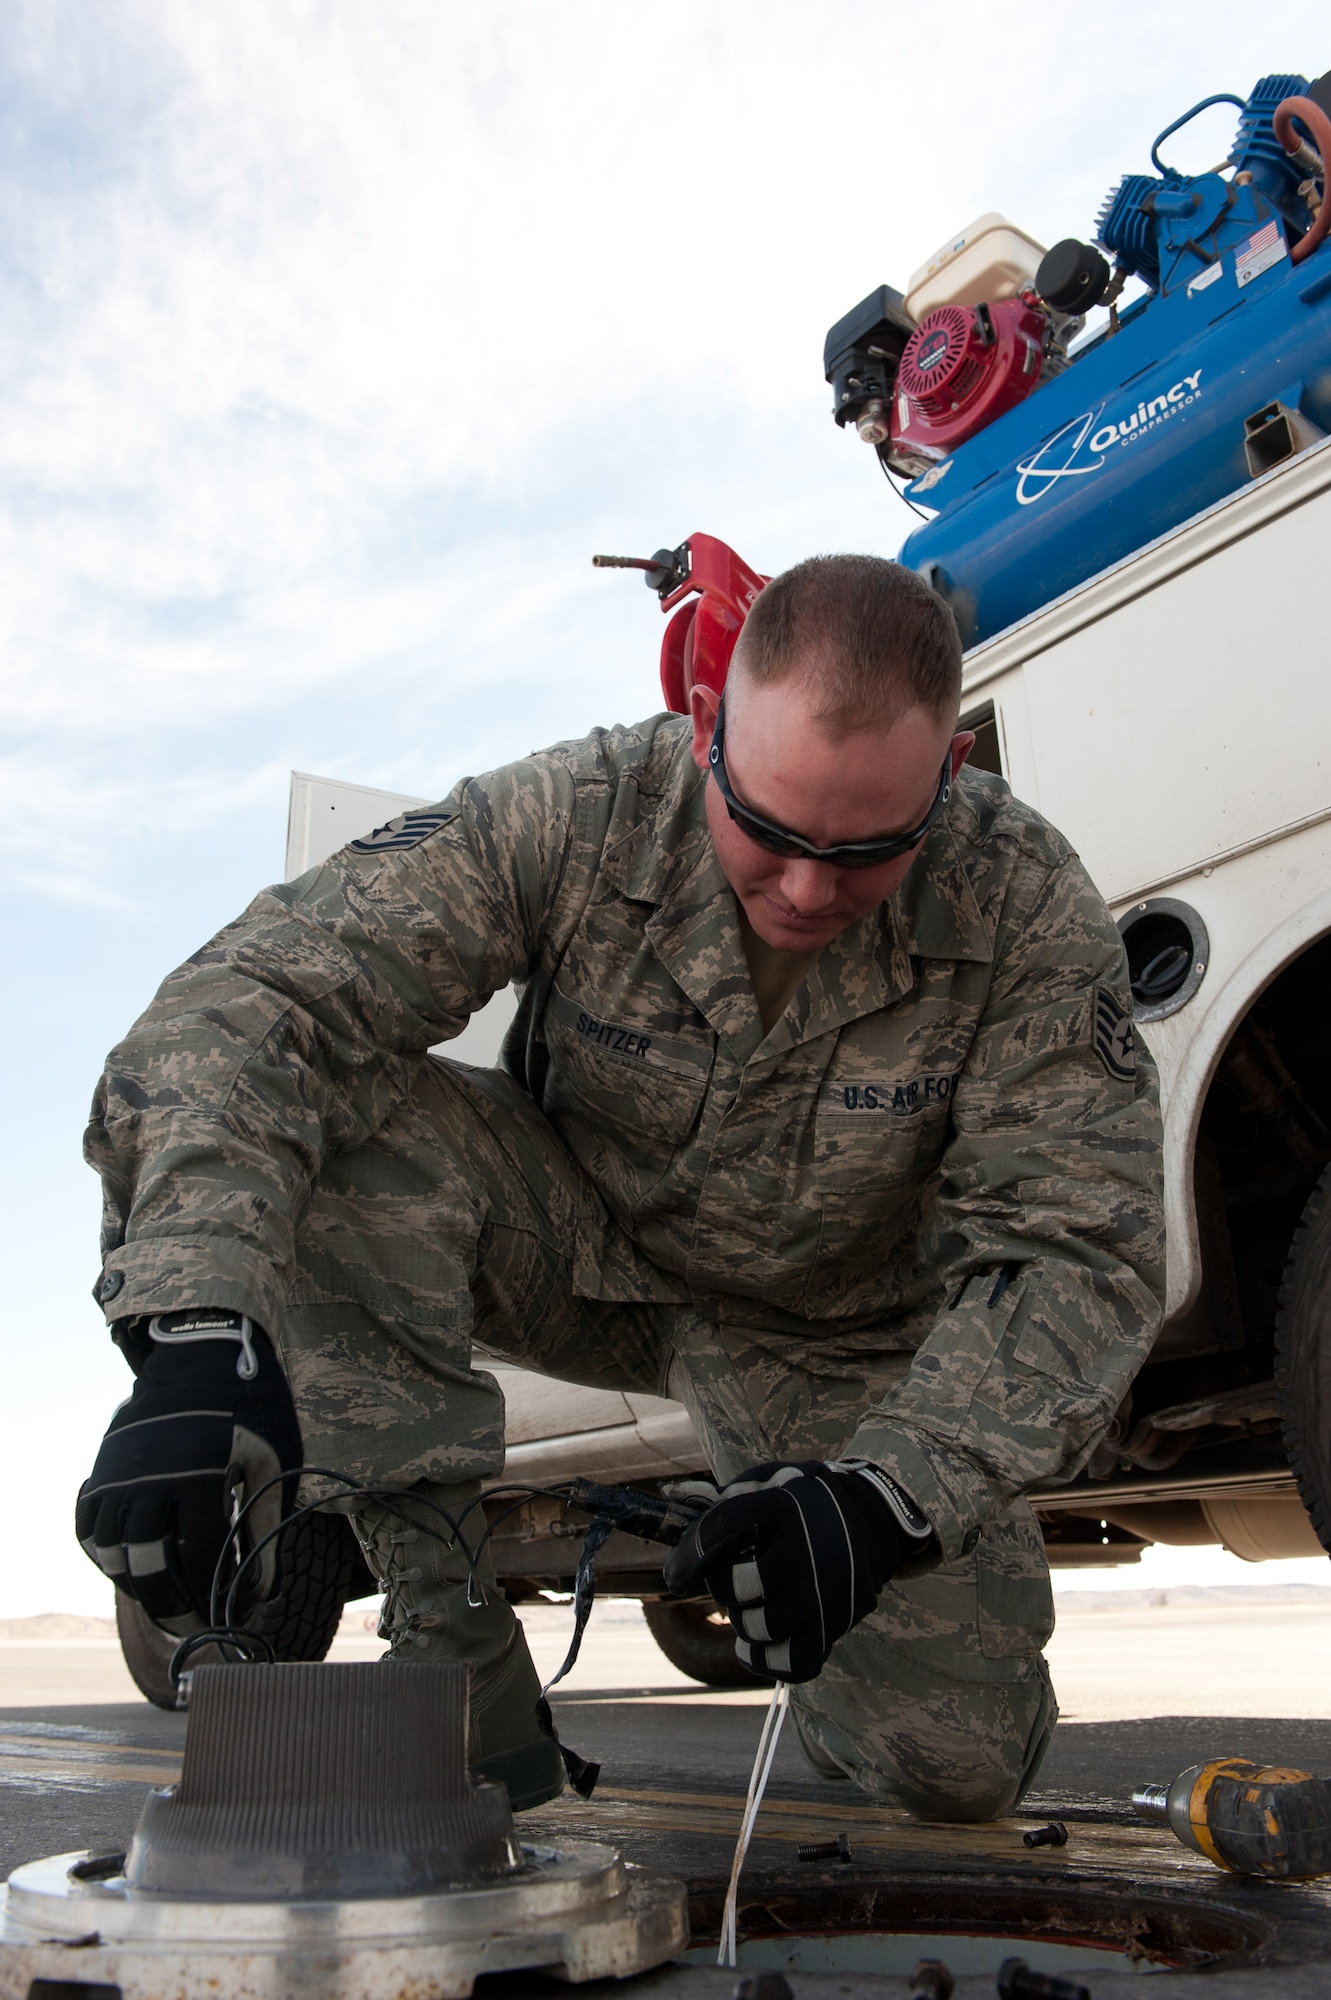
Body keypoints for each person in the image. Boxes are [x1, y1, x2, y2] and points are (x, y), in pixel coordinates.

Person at [78, 554, 1164, 1819]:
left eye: (869, 848)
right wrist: (194, 1329)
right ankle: (455, 1649)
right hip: (580, 1249)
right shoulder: (583, 811)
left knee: (955, 1765)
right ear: (710, 738)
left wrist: (885, 1499)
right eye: (769, 832)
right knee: (339, 1109)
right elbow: (256, 998)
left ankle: (836, 1607)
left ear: (946, 782)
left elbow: (1078, 1246)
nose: (808, 889)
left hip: (831, 1330)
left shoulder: (1021, 899)